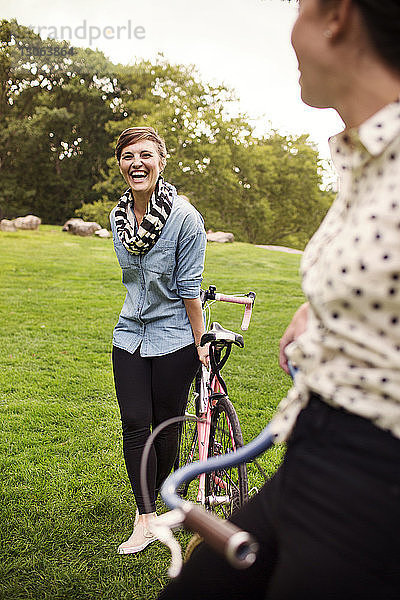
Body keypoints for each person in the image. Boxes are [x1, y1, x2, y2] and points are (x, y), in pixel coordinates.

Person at [158, 0, 400, 597]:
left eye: (296, 7)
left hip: (373, 479)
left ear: (337, 15)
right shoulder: (366, 159)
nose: (289, 34)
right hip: (313, 448)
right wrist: (324, 312)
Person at [110, 126, 207, 554]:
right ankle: (145, 516)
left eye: (145, 155)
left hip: (173, 336)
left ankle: (156, 502)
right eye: (128, 155)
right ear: (120, 164)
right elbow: (132, 281)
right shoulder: (117, 219)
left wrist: (200, 339)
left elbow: (189, 287)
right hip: (130, 332)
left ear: (161, 161)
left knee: (167, 424)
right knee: (135, 421)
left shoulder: (185, 217)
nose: (137, 163)